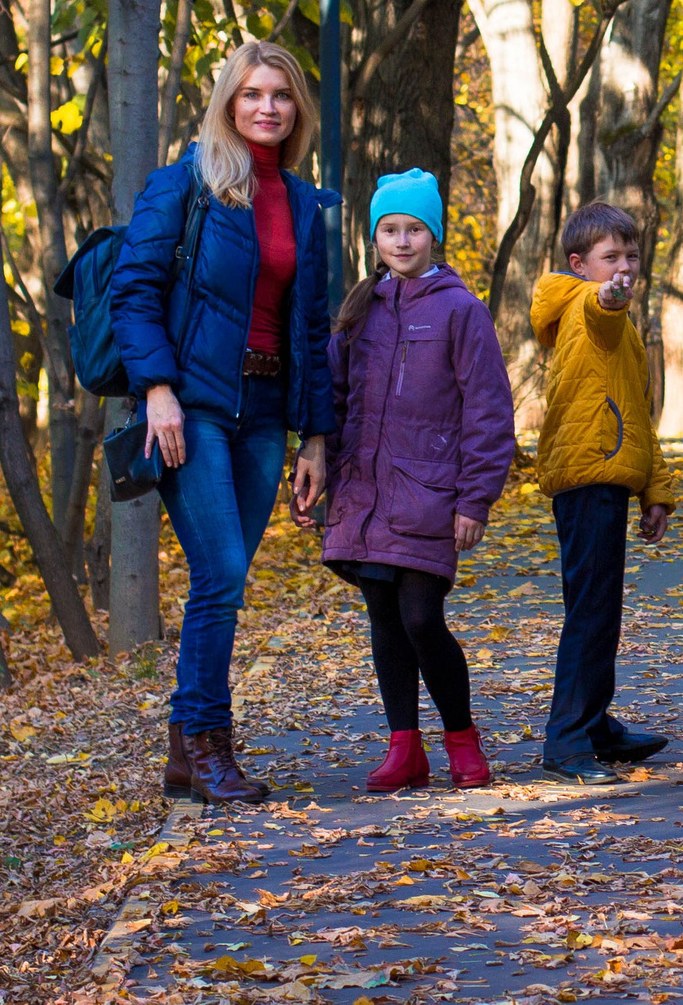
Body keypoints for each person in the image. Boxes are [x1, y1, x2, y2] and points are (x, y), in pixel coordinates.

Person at [109, 39, 335, 805]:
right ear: (228, 104)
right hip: (193, 408)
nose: (266, 106)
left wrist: (316, 436)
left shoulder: (305, 204)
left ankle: (186, 751)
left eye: (280, 94)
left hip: (267, 415)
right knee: (223, 573)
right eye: (251, 94)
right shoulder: (186, 185)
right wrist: (158, 390)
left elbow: (310, 329)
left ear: (295, 108)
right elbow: (133, 290)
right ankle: (208, 745)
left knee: (225, 585)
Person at [311, 169, 517, 792]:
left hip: (431, 493)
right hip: (364, 493)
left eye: (414, 229)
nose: (402, 241)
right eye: (389, 230)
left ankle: (461, 737)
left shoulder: (461, 311)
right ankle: (405, 747)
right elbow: (335, 400)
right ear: (374, 237)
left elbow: (488, 411)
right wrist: (319, 471)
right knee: (384, 617)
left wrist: (474, 499)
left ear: (435, 235)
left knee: (423, 617)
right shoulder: (358, 310)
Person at [531, 202, 676, 784]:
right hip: (588, 471)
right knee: (592, 611)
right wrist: (610, 296)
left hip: (607, 470)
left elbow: (638, 415)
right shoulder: (586, 306)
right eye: (610, 258)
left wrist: (656, 490)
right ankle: (568, 741)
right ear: (579, 264)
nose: (625, 268)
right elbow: (604, 308)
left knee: (597, 608)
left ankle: (593, 725)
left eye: (632, 257)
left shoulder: (620, 327)